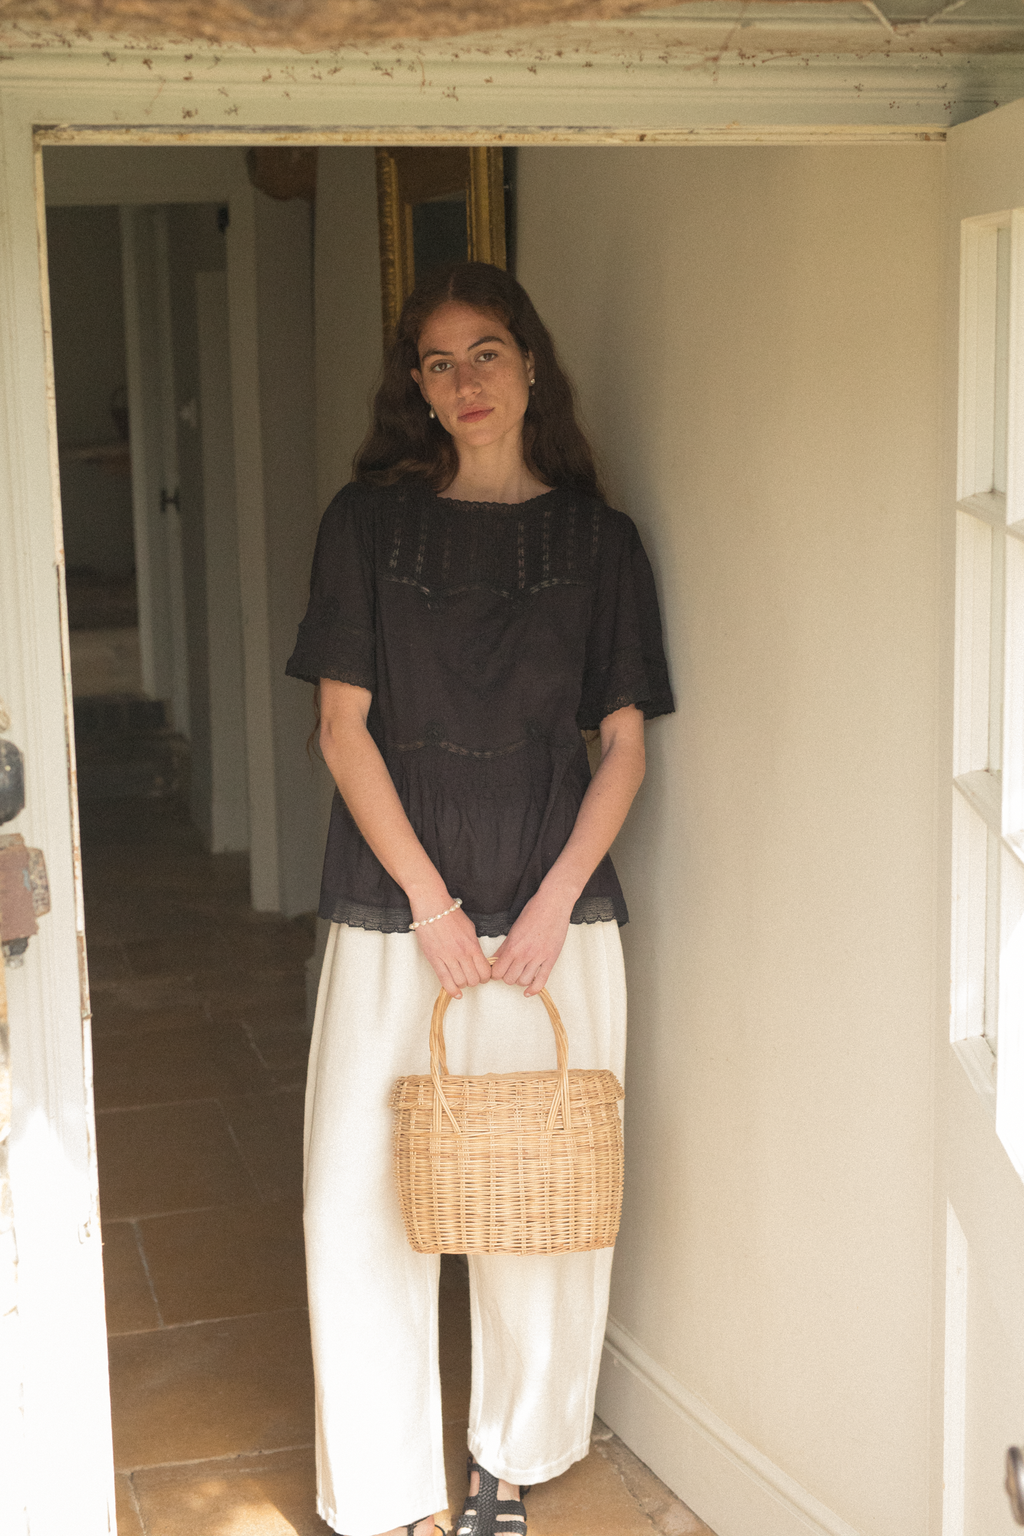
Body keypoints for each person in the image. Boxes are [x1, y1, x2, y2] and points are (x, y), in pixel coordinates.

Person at [286, 261, 674, 1536]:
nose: (465, 382)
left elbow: (622, 743)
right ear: (416, 386)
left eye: (487, 353)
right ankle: (391, 1487)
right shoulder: (365, 526)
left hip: (556, 918)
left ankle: (508, 1458)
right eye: (439, 362)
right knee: (353, 1204)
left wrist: (555, 902)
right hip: (399, 902)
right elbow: (343, 733)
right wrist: (437, 908)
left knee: (540, 1206)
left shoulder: (598, 543)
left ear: (529, 366)